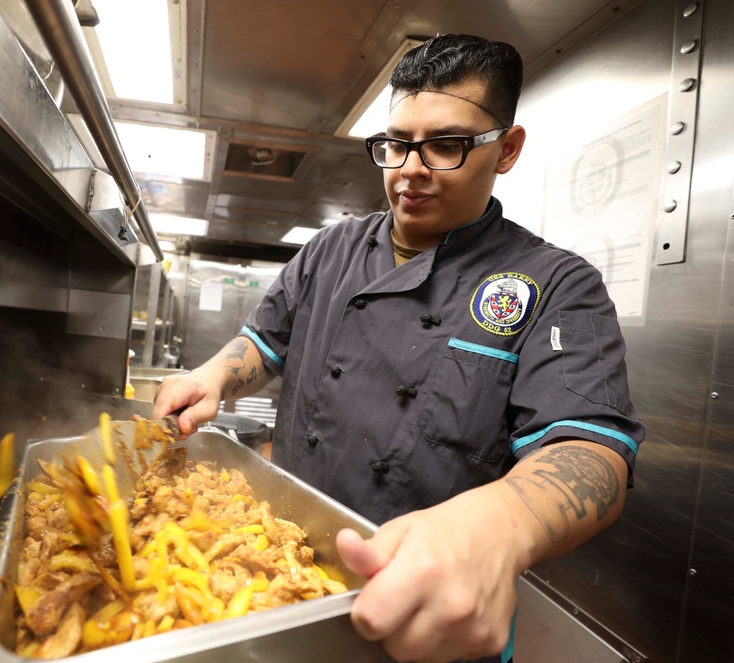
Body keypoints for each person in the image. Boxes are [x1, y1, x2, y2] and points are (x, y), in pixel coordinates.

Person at [152, 33, 643, 663]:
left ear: (508, 150)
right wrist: (214, 377)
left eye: (446, 145)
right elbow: (264, 343)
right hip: (280, 568)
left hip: (433, 616)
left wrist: (498, 526)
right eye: (397, 145)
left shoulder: (555, 283)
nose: (410, 168)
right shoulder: (330, 249)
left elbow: (591, 449)